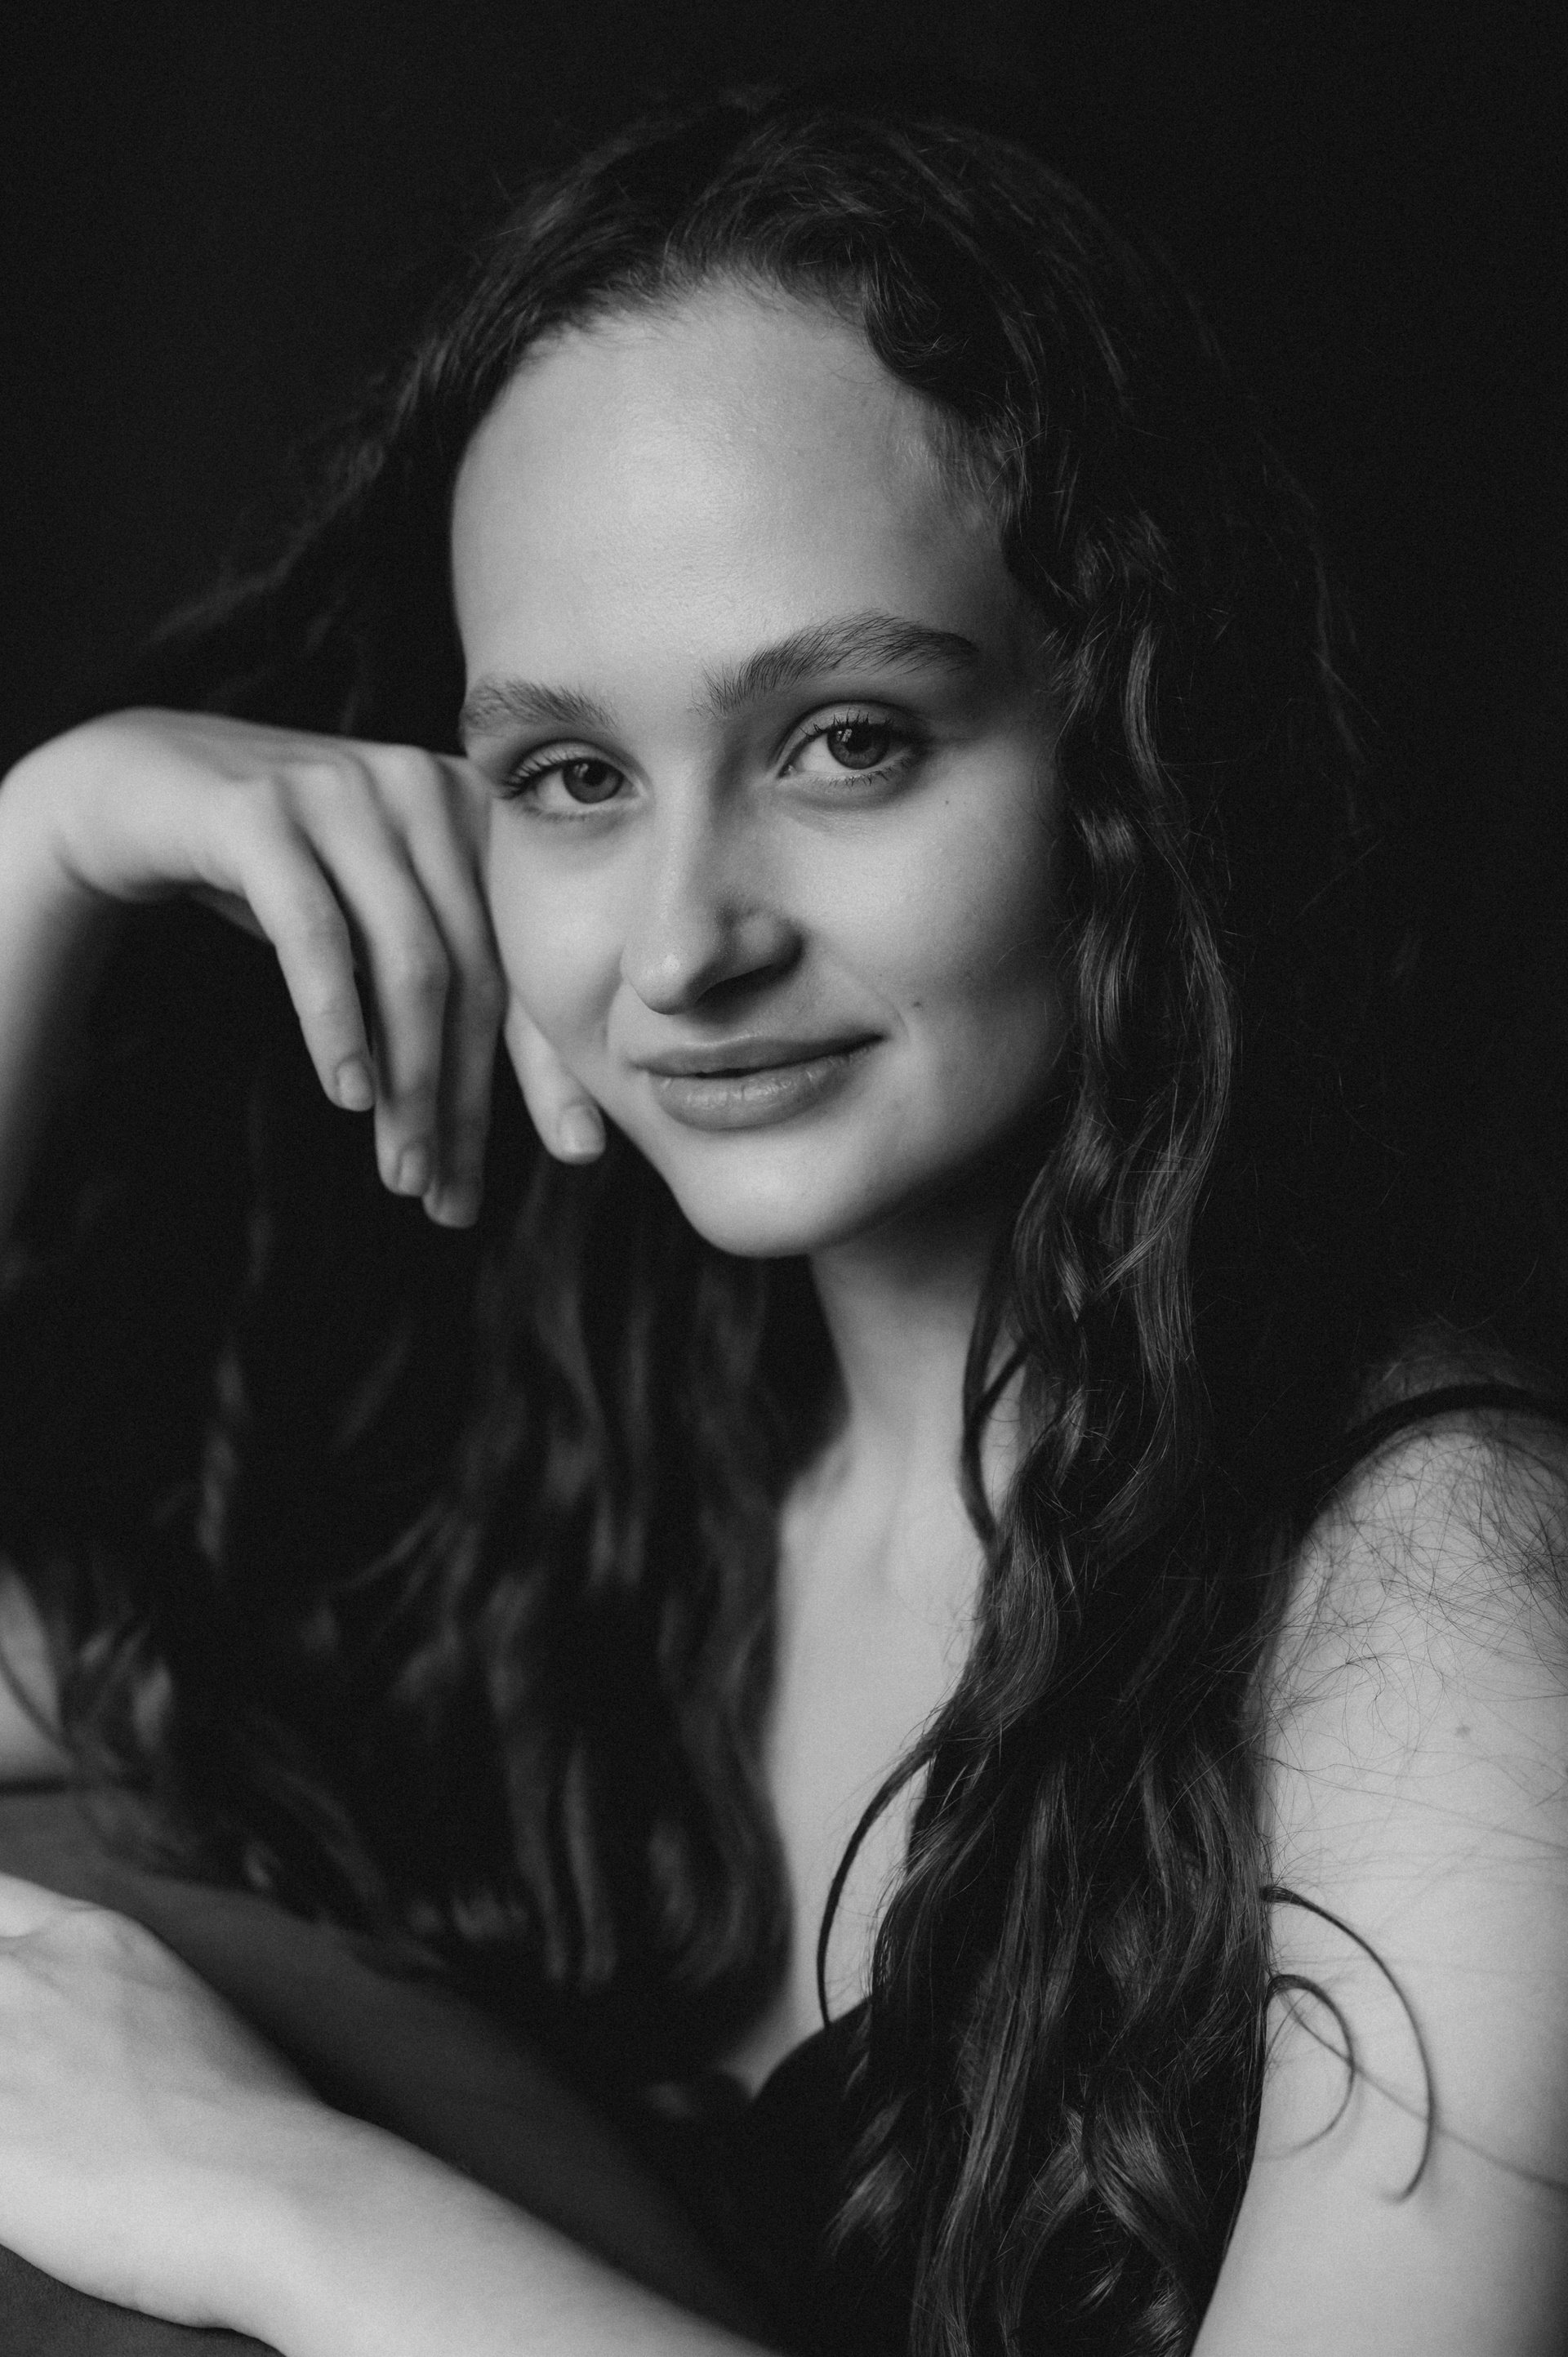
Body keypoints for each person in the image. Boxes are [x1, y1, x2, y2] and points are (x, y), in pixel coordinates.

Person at [0, 78, 1564, 2357]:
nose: (680, 943)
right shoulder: (560, 1466)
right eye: (571, 777)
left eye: (846, 740)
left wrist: (272, 2198)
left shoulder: (1440, 1594)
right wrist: (43, 854)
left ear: (1137, 749)